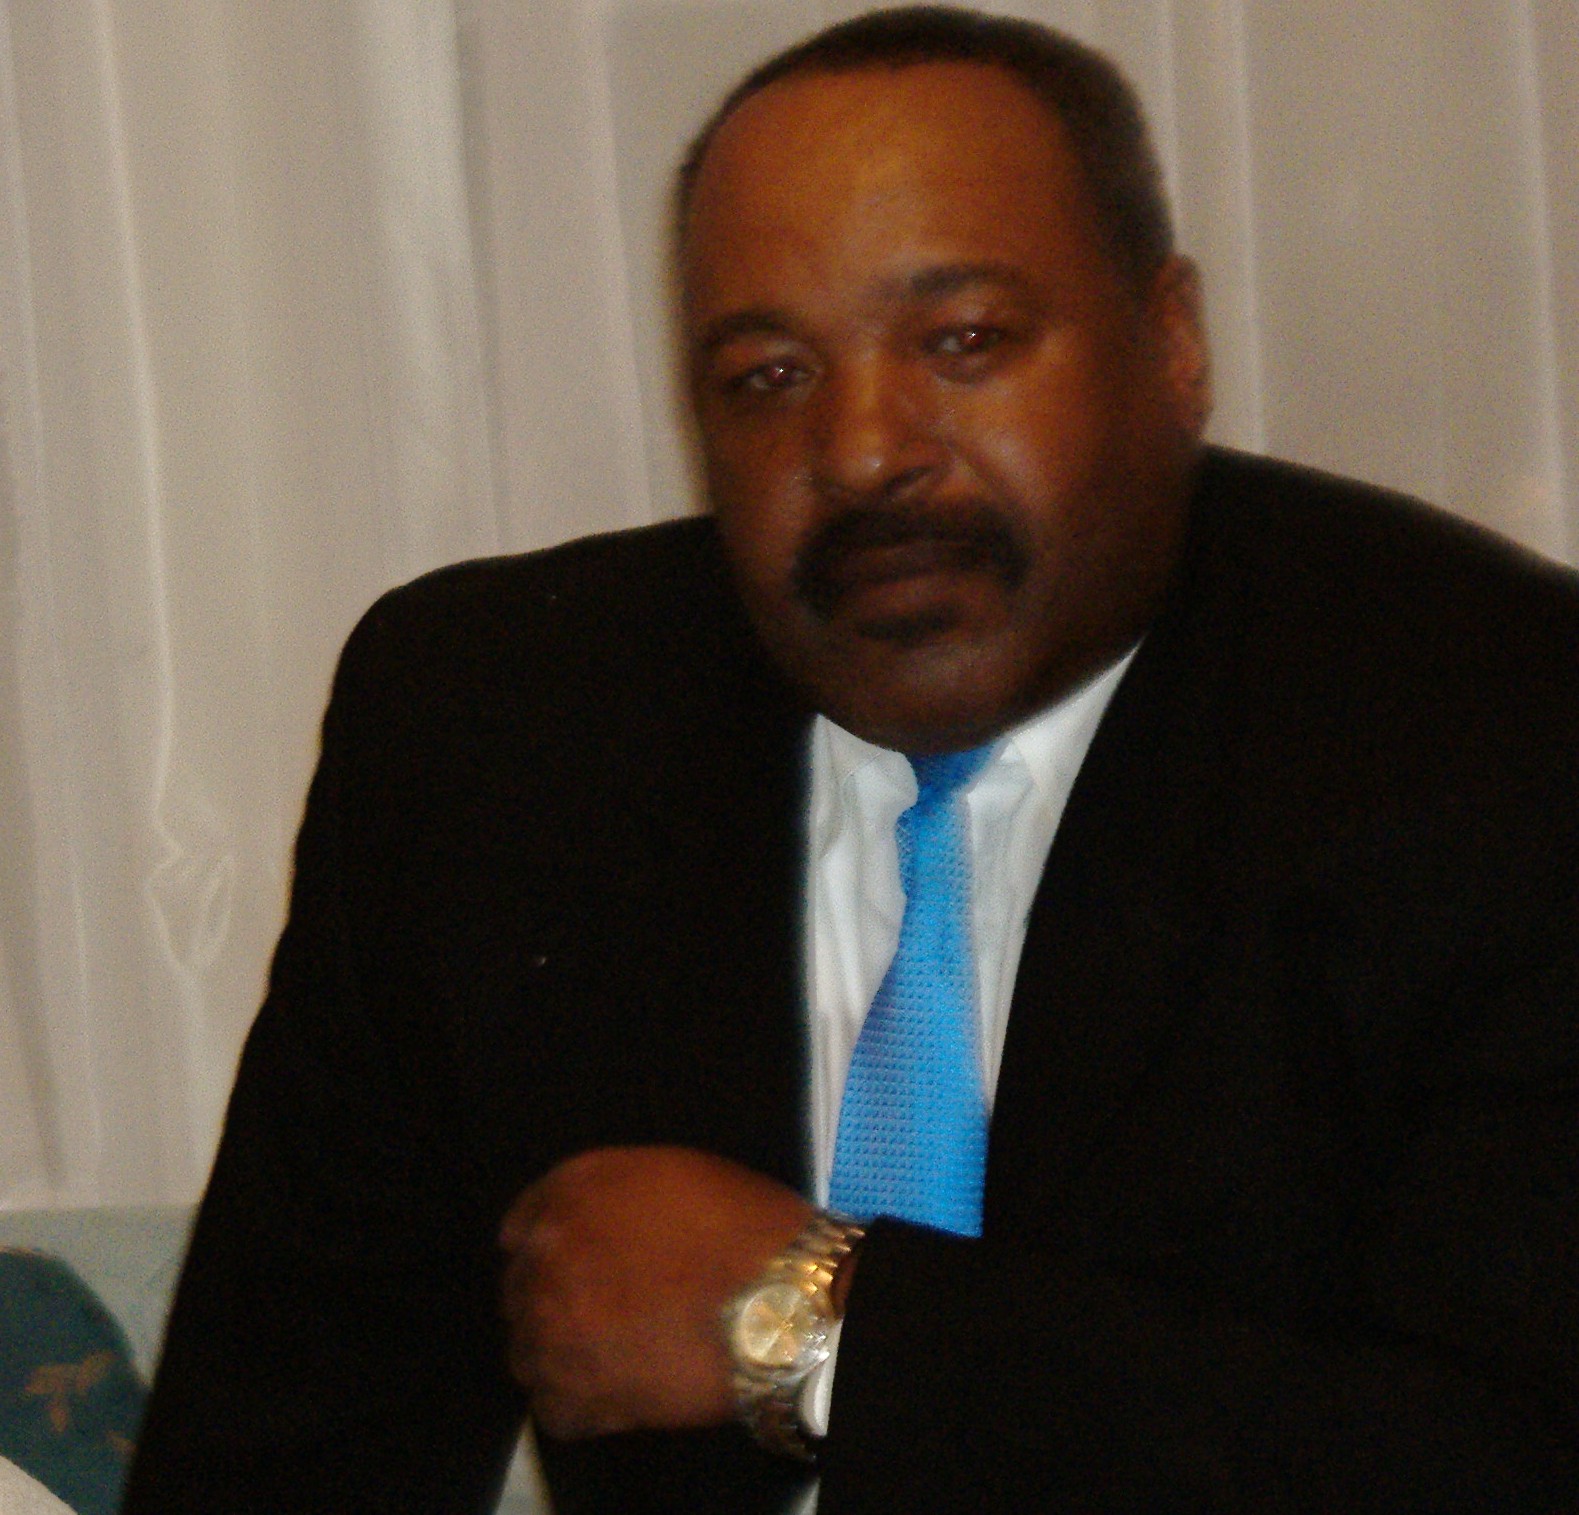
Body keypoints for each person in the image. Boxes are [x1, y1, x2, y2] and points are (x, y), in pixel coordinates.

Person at [125, 7, 1579, 1512]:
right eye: (768, 374)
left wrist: (818, 1331)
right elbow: (276, 1460)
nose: (864, 449)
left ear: (1172, 344)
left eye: (964, 342)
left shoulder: (1496, 729)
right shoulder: (494, 735)